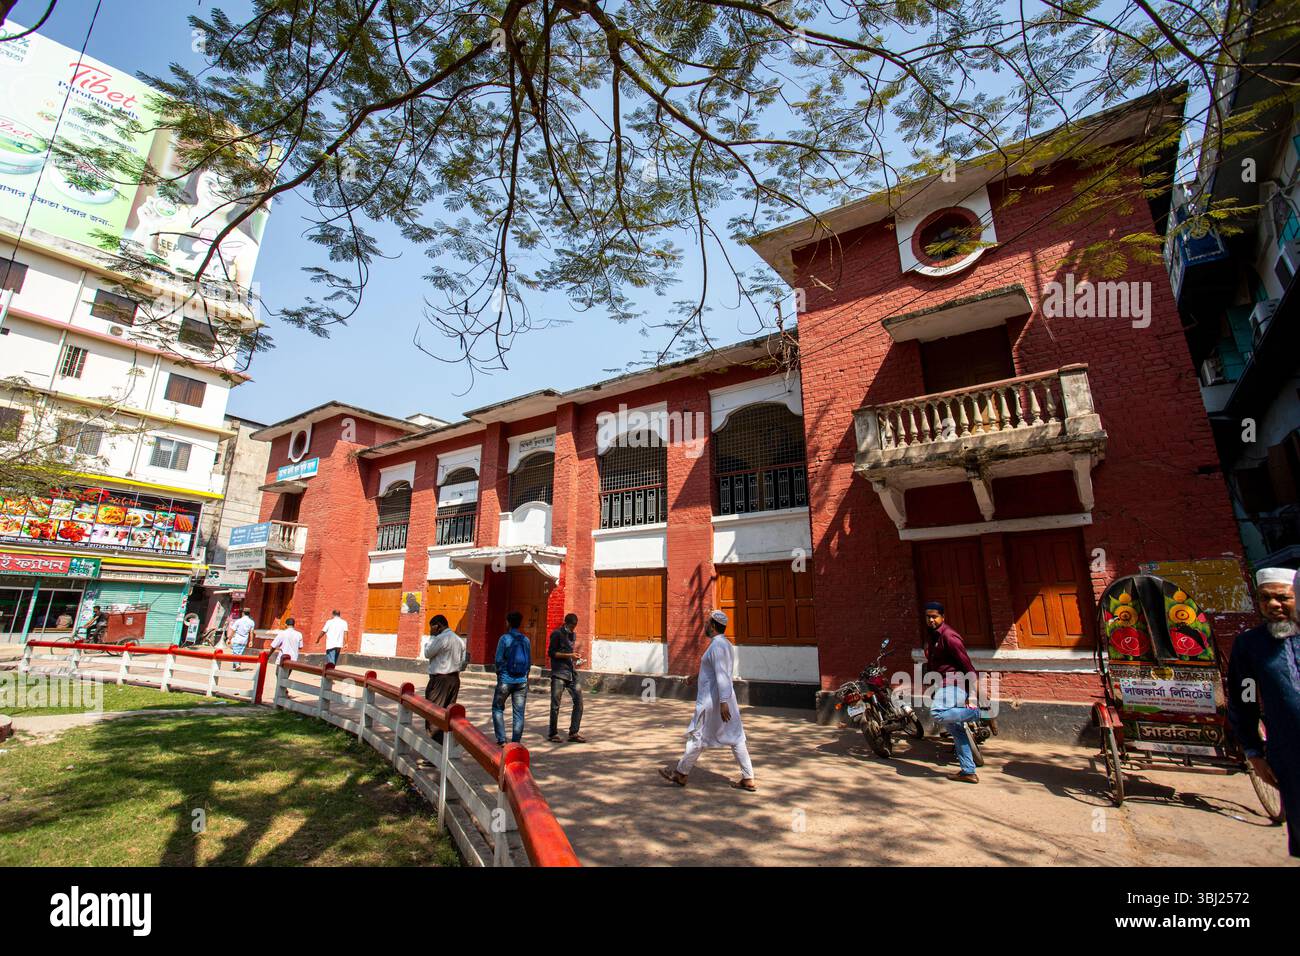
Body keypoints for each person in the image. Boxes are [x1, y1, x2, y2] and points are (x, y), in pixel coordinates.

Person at [1226, 567, 1300, 858]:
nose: (1273, 605)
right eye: (1265, 599)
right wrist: (1254, 752)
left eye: (1283, 598)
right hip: (1290, 755)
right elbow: (1244, 699)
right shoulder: (1250, 646)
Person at [659, 610, 756, 792]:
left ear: (712, 626)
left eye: (706, 622)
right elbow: (715, 671)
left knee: (698, 736)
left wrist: (723, 702)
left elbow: (721, 675)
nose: (704, 625)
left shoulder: (717, 646)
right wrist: (695, 677)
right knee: (736, 737)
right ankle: (748, 777)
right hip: (724, 700)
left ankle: (681, 774)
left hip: (713, 702)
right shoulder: (725, 645)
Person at [922, 601, 984, 784]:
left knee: (937, 712)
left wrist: (975, 695)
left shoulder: (950, 637)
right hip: (942, 685)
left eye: (934, 617)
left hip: (955, 684)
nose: (931, 620)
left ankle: (977, 713)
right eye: (928, 617)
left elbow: (968, 666)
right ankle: (968, 771)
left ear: (943, 617)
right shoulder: (933, 636)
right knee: (957, 731)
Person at [422, 614, 466, 742]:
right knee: (447, 714)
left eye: (432, 627)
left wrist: (431, 636)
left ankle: (435, 750)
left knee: (434, 714)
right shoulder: (459, 640)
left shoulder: (441, 638)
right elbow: (462, 660)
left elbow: (427, 653)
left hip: (440, 680)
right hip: (454, 679)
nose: (431, 630)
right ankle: (444, 747)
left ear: (438, 626)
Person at [492, 611, 532, 745]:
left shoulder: (504, 639)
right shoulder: (526, 640)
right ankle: (516, 741)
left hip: (506, 679)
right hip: (521, 681)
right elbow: (529, 662)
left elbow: (498, 660)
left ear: (508, 622)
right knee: (519, 712)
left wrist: (500, 674)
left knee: (497, 708)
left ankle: (502, 739)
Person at [547, 613, 587, 743]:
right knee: (555, 704)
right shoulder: (556, 634)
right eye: (571, 626)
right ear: (566, 623)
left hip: (570, 672)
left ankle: (573, 732)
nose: (573, 629)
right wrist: (570, 655)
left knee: (579, 702)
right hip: (559, 673)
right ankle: (553, 733)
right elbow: (552, 653)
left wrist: (574, 657)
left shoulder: (572, 635)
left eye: (574, 627)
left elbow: (569, 653)